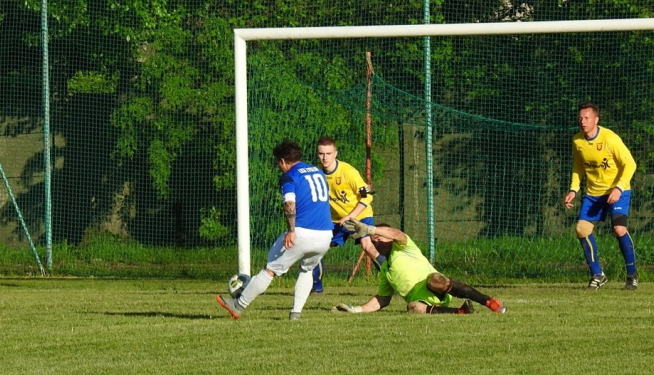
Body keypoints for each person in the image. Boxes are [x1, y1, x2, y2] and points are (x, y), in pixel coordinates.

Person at [216, 139, 333, 320]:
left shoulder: (290, 176)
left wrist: (291, 230)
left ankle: (237, 305)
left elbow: (289, 203)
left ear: (283, 161)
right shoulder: (317, 171)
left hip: (302, 232)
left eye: (278, 163)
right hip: (326, 234)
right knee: (307, 270)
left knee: (269, 270)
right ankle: (296, 314)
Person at [333, 221, 506, 314]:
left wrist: (371, 229)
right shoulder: (385, 270)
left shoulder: (404, 247)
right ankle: (460, 312)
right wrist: (355, 310)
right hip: (423, 302)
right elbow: (382, 300)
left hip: (437, 287)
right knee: (412, 308)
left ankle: (489, 302)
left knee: (434, 279)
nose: (377, 242)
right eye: (374, 240)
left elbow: (397, 234)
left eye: (380, 237)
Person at [563, 102, 638, 291]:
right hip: (593, 194)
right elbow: (578, 166)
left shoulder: (610, 139)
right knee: (581, 229)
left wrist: (619, 188)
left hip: (617, 191)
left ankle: (632, 275)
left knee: (619, 229)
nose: (582, 121)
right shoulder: (578, 141)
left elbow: (630, 164)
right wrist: (573, 190)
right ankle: (598, 274)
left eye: (586, 118)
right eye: (580, 118)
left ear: (596, 120)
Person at [312, 136, 383, 293]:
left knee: (368, 246)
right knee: (316, 249)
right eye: (321, 153)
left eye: (328, 153)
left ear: (335, 153)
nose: (325, 157)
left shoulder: (349, 172)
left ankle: (393, 281)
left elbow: (368, 195)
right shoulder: (317, 174)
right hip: (336, 221)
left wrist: (351, 216)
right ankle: (316, 289)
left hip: (360, 215)